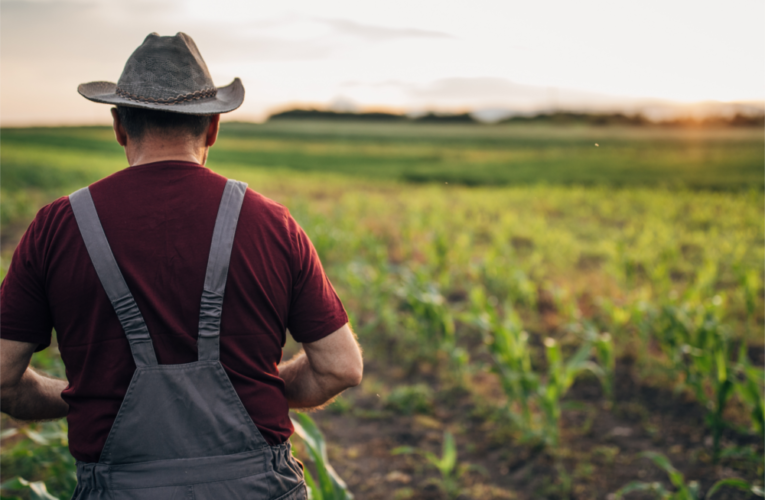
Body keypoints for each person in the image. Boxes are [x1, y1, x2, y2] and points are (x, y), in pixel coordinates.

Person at [0, 32, 362, 500]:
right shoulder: (272, 223)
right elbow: (340, 368)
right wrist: (265, 385)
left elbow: (3, 377)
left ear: (118, 125)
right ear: (212, 127)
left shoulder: (58, 227)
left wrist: (78, 397)